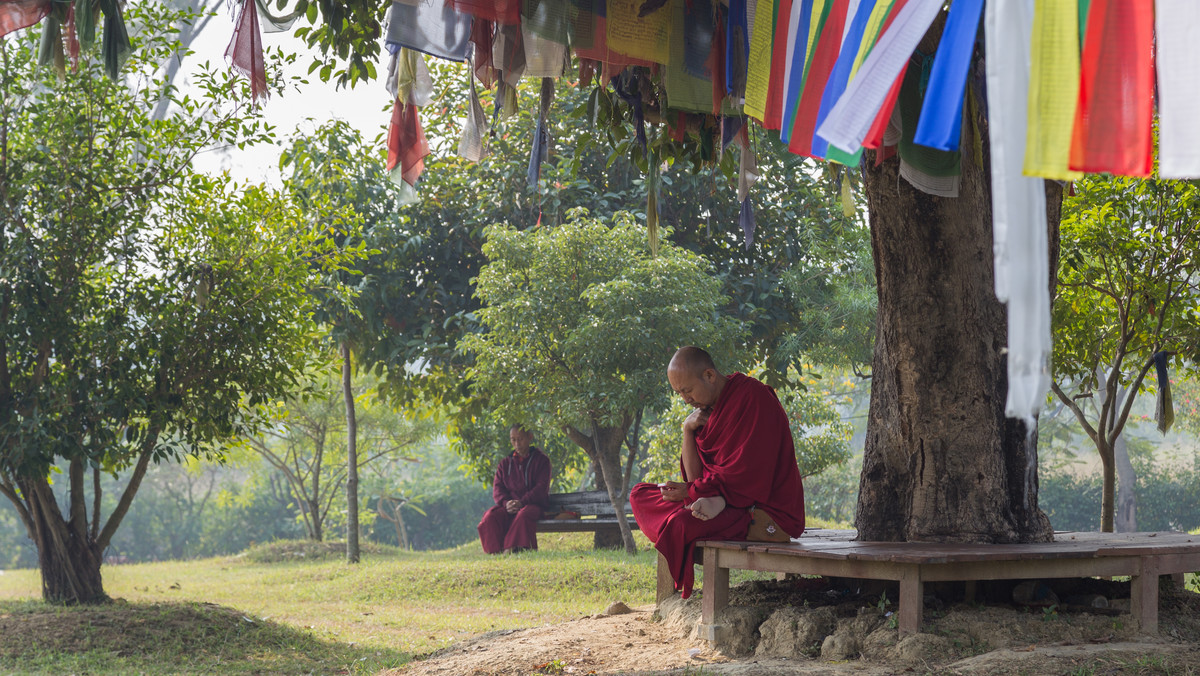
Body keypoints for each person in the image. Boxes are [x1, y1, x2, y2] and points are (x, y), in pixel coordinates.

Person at [630, 347, 806, 598]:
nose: (685, 399)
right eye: (679, 393)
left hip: (760, 508)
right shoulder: (707, 411)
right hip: (716, 496)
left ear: (710, 375)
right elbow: (695, 479)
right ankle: (712, 504)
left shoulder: (754, 399)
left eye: (687, 390)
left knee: (679, 524)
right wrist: (687, 431)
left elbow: (753, 475)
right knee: (640, 494)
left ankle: (715, 504)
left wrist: (701, 494)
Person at [477, 424, 552, 554]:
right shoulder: (505, 464)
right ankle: (495, 552)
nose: (517, 444)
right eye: (513, 440)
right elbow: (498, 489)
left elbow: (541, 488)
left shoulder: (542, 461)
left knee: (523, 514)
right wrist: (507, 504)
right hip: (510, 507)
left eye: (520, 439)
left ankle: (510, 549)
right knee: (490, 516)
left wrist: (522, 502)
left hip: (533, 505)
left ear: (530, 437)